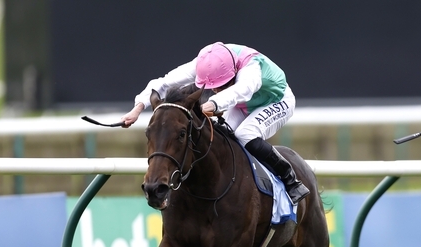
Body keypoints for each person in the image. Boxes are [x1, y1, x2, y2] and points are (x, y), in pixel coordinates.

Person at [121, 42, 310, 204]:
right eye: (214, 87)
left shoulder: (251, 69)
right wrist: (138, 108)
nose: (217, 90)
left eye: (222, 85)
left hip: (277, 101)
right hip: (243, 105)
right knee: (219, 136)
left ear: (234, 72)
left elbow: (240, 92)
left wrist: (208, 105)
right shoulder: (205, 64)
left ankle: (290, 179)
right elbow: (163, 83)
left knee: (245, 134)